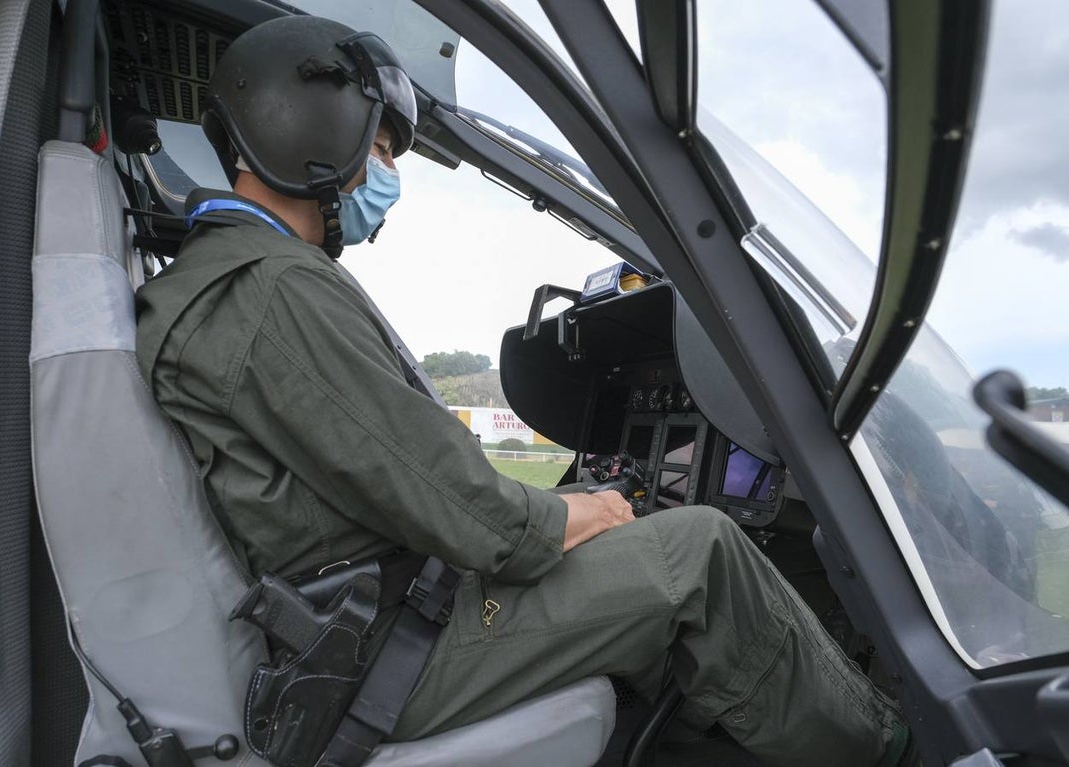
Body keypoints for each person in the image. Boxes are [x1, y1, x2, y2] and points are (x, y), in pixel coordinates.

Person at [135, 15, 912, 767]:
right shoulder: (271, 295)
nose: (388, 175)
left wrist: (559, 512)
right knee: (698, 549)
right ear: (312, 127)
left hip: (369, 615)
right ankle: (899, 750)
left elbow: (394, 469)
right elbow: (470, 515)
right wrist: (587, 509)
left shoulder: (237, 282)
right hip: (390, 648)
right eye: (378, 145)